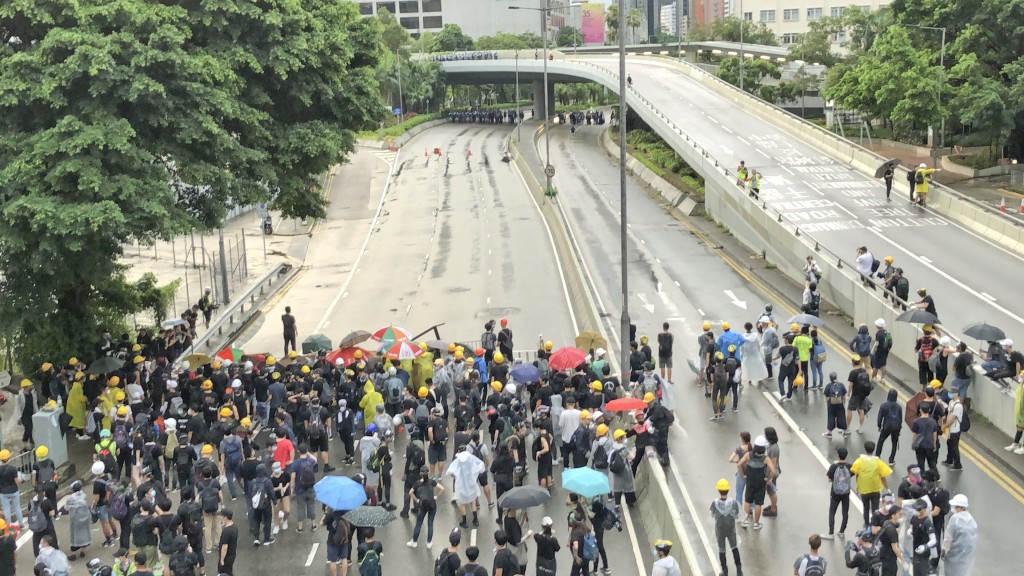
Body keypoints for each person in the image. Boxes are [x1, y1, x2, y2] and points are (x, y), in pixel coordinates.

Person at [850, 441, 892, 526]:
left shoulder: (859, 461)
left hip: (864, 489)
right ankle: (874, 523)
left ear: (865, 449)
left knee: (866, 507)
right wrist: (887, 488)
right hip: (875, 488)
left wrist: (858, 486)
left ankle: (866, 523)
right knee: (875, 508)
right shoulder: (878, 462)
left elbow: (856, 473)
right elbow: (883, 476)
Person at [738, 435, 775, 530]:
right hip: (760, 482)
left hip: (750, 480)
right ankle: (756, 523)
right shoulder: (765, 458)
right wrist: (768, 478)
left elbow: (739, 464)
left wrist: (743, 475)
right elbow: (773, 471)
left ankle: (745, 521)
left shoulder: (748, 455)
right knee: (758, 503)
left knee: (747, 500)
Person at [447, 445, 486, 529]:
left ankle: (464, 522)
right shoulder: (471, 458)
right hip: (471, 483)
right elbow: (481, 465)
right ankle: (475, 520)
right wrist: (477, 473)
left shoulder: (457, 461)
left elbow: (450, 471)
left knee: (462, 503)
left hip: (461, 485)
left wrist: (455, 476)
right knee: (472, 501)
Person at [710, 479, 743, 576]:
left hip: (720, 529)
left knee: (722, 550)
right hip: (731, 529)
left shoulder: (715, 503)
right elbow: (737, 514)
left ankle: (725, 571)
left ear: (718, 490)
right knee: (734, 548)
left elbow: (712, 514)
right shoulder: (733, 502)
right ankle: (739, 569)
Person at [407, 465, 442, 548]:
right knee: (430, 524)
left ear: (420, 473)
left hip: (423, 505)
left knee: (418, 524)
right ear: (428, 473)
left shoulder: (417, 483)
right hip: (432, 505)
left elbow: (410, 492)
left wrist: (417, 500)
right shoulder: (432, 481)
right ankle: (429, 543)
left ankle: (414, 541)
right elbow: (442, 488)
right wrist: (436, 496)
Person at [942, 494, 976, 576]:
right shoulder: (971, 519)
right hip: (966, 556)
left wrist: (944, 551)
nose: (953, 509)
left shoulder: (955, 519)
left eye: (955, 506)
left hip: (953, 555)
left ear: (961, 507)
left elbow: (948, 538)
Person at [823, 447, 852, 540]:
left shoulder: (834, 467)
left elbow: (829, 479)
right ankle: (842, 531)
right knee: (845, 512)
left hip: (835, 492)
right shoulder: (849, 466)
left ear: (838, 455)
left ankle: (831, 533)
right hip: (846, 492)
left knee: (832, 511)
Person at [66, 480, 93, 559]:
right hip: (86, 516)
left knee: (75, 534)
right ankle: (82, 551)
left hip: (76, 517)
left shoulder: (71, 498)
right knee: (85, 532)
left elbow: (67, 507)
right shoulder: (84, 495)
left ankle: (74, 553)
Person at [876, 389, 902, 465]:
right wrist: (899, 429)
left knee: (881, 441)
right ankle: (891, 460)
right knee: (894, 444)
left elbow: (880, 417)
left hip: (886, 426)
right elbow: (900, 419)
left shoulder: (884, 405)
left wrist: (879, 425)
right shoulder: (899, 407)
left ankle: (877, 456)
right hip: (896, 428)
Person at [910, 403, 939, 472]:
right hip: (929, 445)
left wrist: (913, 443)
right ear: (929, 410)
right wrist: (934, 444)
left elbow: (914, 434)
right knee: (931, 463)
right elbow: (935, 434)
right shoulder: (933, 421)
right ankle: (935, 477)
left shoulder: (916, 421)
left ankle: (922, 477)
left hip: (920, 445)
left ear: (920, 410)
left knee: (920, 463)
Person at [942, 387, 966, 470]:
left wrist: (944, 426)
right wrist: (945, 423)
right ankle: (949, 460)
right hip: (950, 428)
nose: (950, 394)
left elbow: (953, 418)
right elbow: (948, 414)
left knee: (954, 446)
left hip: (955, 429)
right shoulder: (951, 402)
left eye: (952, 393)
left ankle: (957, 464)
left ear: (956, 394)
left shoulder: (958, 406)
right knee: (949, 443)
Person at [0, 449, 25, 529]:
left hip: (3, 492)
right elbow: (17, 481)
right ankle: (21, 524)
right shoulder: (13, 469)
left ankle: (8, 526)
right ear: (9, 458)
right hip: (14, 491)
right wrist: (22, 480)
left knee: (6, 509)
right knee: (17, 507)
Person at [822, 372, 848, 438]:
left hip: (831, 404)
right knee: (842, 416)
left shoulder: (828, 386)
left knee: (831, 417)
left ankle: (829, 433)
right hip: (840, 404)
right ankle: (844, 431)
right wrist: (844, 402)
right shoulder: (841, 385)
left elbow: (826, 395)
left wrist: (826, 403)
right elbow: (844, 395)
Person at [218, 508, 238, 576]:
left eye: (222, 516)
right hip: (232, 554)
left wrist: (222, 559)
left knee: (224, 572)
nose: (221, 517)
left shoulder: (226, 531)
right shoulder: (234, 527)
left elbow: (224, 547)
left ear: (225, 517)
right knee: (229, 571)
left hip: (227, 556)